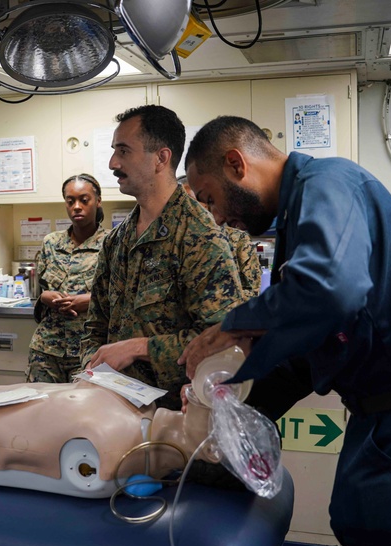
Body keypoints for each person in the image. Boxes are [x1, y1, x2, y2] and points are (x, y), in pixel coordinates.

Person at [178, 115, 391, 546]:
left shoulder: (328, 182)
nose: (217, 217)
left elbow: (331, 287)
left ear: (237, 164)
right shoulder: (297, 223)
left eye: (209, 199)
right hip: (384, 423)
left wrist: (234, 324)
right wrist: (227, 397)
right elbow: (309, 356)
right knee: (363, 537)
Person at [81, 105, 245, 411]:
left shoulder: (198, 236)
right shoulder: (116, 241)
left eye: (124, 151)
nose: (113, 163)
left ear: (161, 158)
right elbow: (95, 327)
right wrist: (93, 368)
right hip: (112, 409)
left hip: (173, 418)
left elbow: (222, 339)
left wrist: (142, 348)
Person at [27, 173, 109, 383]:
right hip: (46, 349)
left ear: (97, 201)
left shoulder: (111, 243)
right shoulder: (51, 243)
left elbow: (123, 296)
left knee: (82, 413)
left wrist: (89, 301)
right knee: (40, 410)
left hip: (88, 352)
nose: (77, 207)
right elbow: (40, 292)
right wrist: (45, 297)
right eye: (70, 201)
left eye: (84, 200)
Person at [179, 174, 262, 300]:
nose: (189, 208)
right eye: (183, 203)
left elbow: (252, 292)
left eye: (194, 201)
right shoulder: (173, 242)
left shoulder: (237, 240)